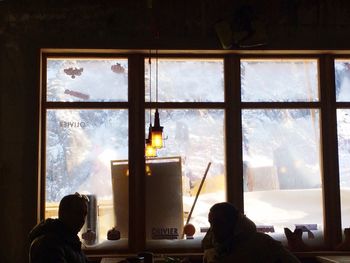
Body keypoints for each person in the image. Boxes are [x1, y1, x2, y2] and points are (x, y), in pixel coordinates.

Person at [202, 202, 300, 263]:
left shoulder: (261, 245)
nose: (213, 229)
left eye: (219, 223)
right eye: (211, 223)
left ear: (234, 223)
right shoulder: (215, 248)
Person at [29, 193, 89, 263]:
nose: (83, 219)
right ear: (64, 214)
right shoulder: (49, 245)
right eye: (78, 213)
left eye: (84, 214)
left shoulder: (70, 240)